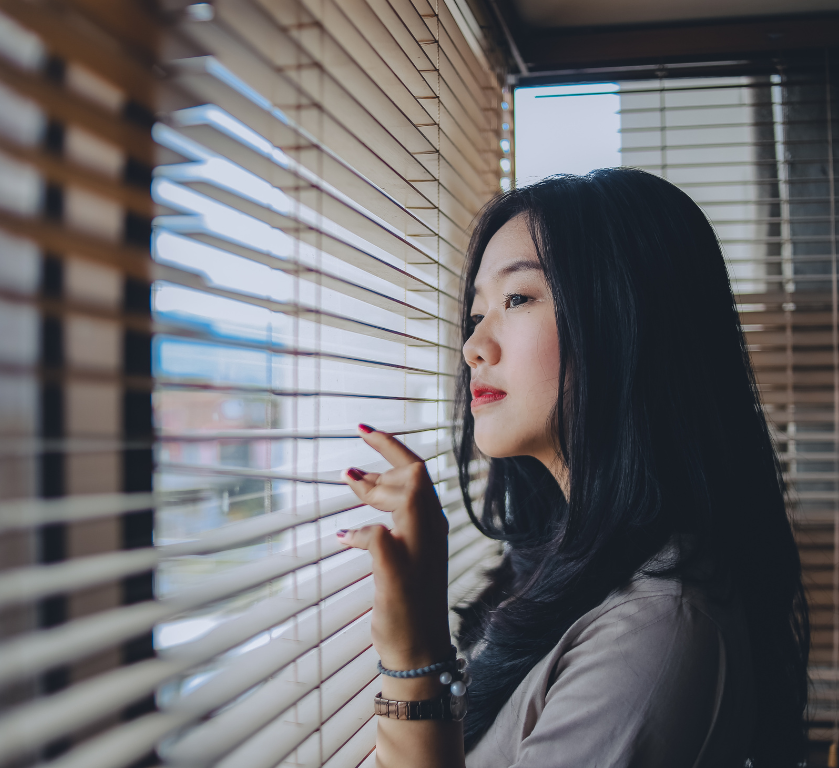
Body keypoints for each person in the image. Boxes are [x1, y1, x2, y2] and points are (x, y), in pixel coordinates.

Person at [336, 170, 809, 768]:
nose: (473, 346)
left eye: (517, 299)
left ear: (629, 319)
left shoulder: (654, 630)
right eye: (476, 312)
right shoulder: (556, 566)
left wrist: (412, 653)